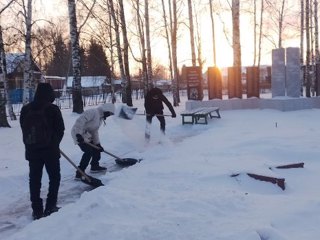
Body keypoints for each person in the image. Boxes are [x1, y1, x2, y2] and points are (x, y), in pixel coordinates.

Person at [20, 83, 65, 220]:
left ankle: (37, 210)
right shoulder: (53, 109)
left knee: (34, 180)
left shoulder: (26, 109)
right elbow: (60, 129)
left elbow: (24, 128)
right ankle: (50, 206)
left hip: (32, 150)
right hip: (50, 151)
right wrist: (54, 143)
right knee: (54, 178)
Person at [71, 103, 115, 179]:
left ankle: (95, 166)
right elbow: (80, 121)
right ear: (106, 110)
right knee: (88, 152)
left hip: (86, 135)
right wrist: (78, 134)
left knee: (96, 149)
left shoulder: (100, 118)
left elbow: (94, 131)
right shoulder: (93, 112)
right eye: (109, 113)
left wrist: (97, 143)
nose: (109, 116)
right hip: (78, 133)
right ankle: (80, 172)